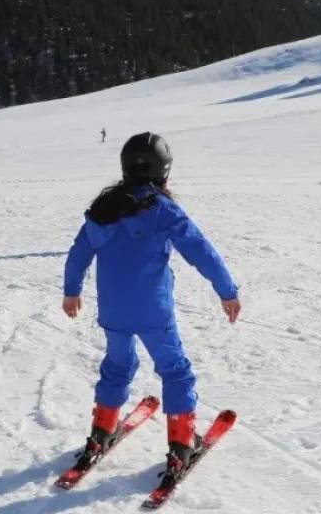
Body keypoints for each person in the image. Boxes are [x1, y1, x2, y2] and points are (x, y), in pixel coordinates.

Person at [62, 132, 241, 483]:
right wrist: (227, 290)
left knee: (118, 365)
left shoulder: (103, 210)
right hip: (153, 313)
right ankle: (181, 445)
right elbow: (199, 249)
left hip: (113, 312)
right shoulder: (162, 208)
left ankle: (101, 432)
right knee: (175, 371)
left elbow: (78, 253)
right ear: (163, 171)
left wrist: (71, 292)